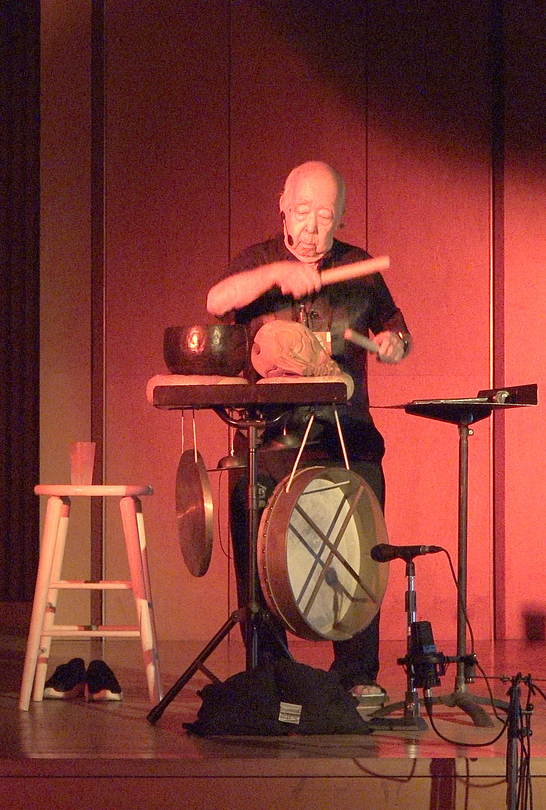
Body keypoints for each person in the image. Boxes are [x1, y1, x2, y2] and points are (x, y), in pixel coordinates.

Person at [206, 160, 411, 704]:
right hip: (271, 439)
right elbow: (217, 302)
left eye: (325, 215)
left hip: (345, 435)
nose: (313, 227)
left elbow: (395, 329)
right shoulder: (256, 262)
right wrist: (275, 278)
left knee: (363, 550)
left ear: (341, 216)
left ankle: (358, 675)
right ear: (282, 205)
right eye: (302, 213)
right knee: (259, 557)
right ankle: (269, 671)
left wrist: (395, 345)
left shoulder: (359, 266)